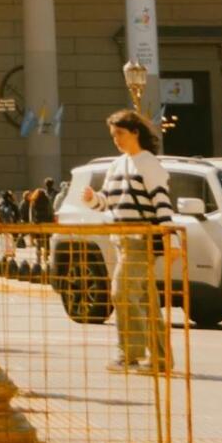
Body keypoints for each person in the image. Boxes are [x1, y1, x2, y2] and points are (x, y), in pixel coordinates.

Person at [91, 107, 172, 372]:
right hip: (123, 239)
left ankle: (129, 354)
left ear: (135, 132)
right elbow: (107, 201)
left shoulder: (148, 163)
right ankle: (160, 358)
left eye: (120, 134)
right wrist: (93, 199)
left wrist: (171, 240)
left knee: (121, 292)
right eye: (113, 135)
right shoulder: (117, 165)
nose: (116, 139)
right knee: (146, 301)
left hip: (140, 238)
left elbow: (162, 202)